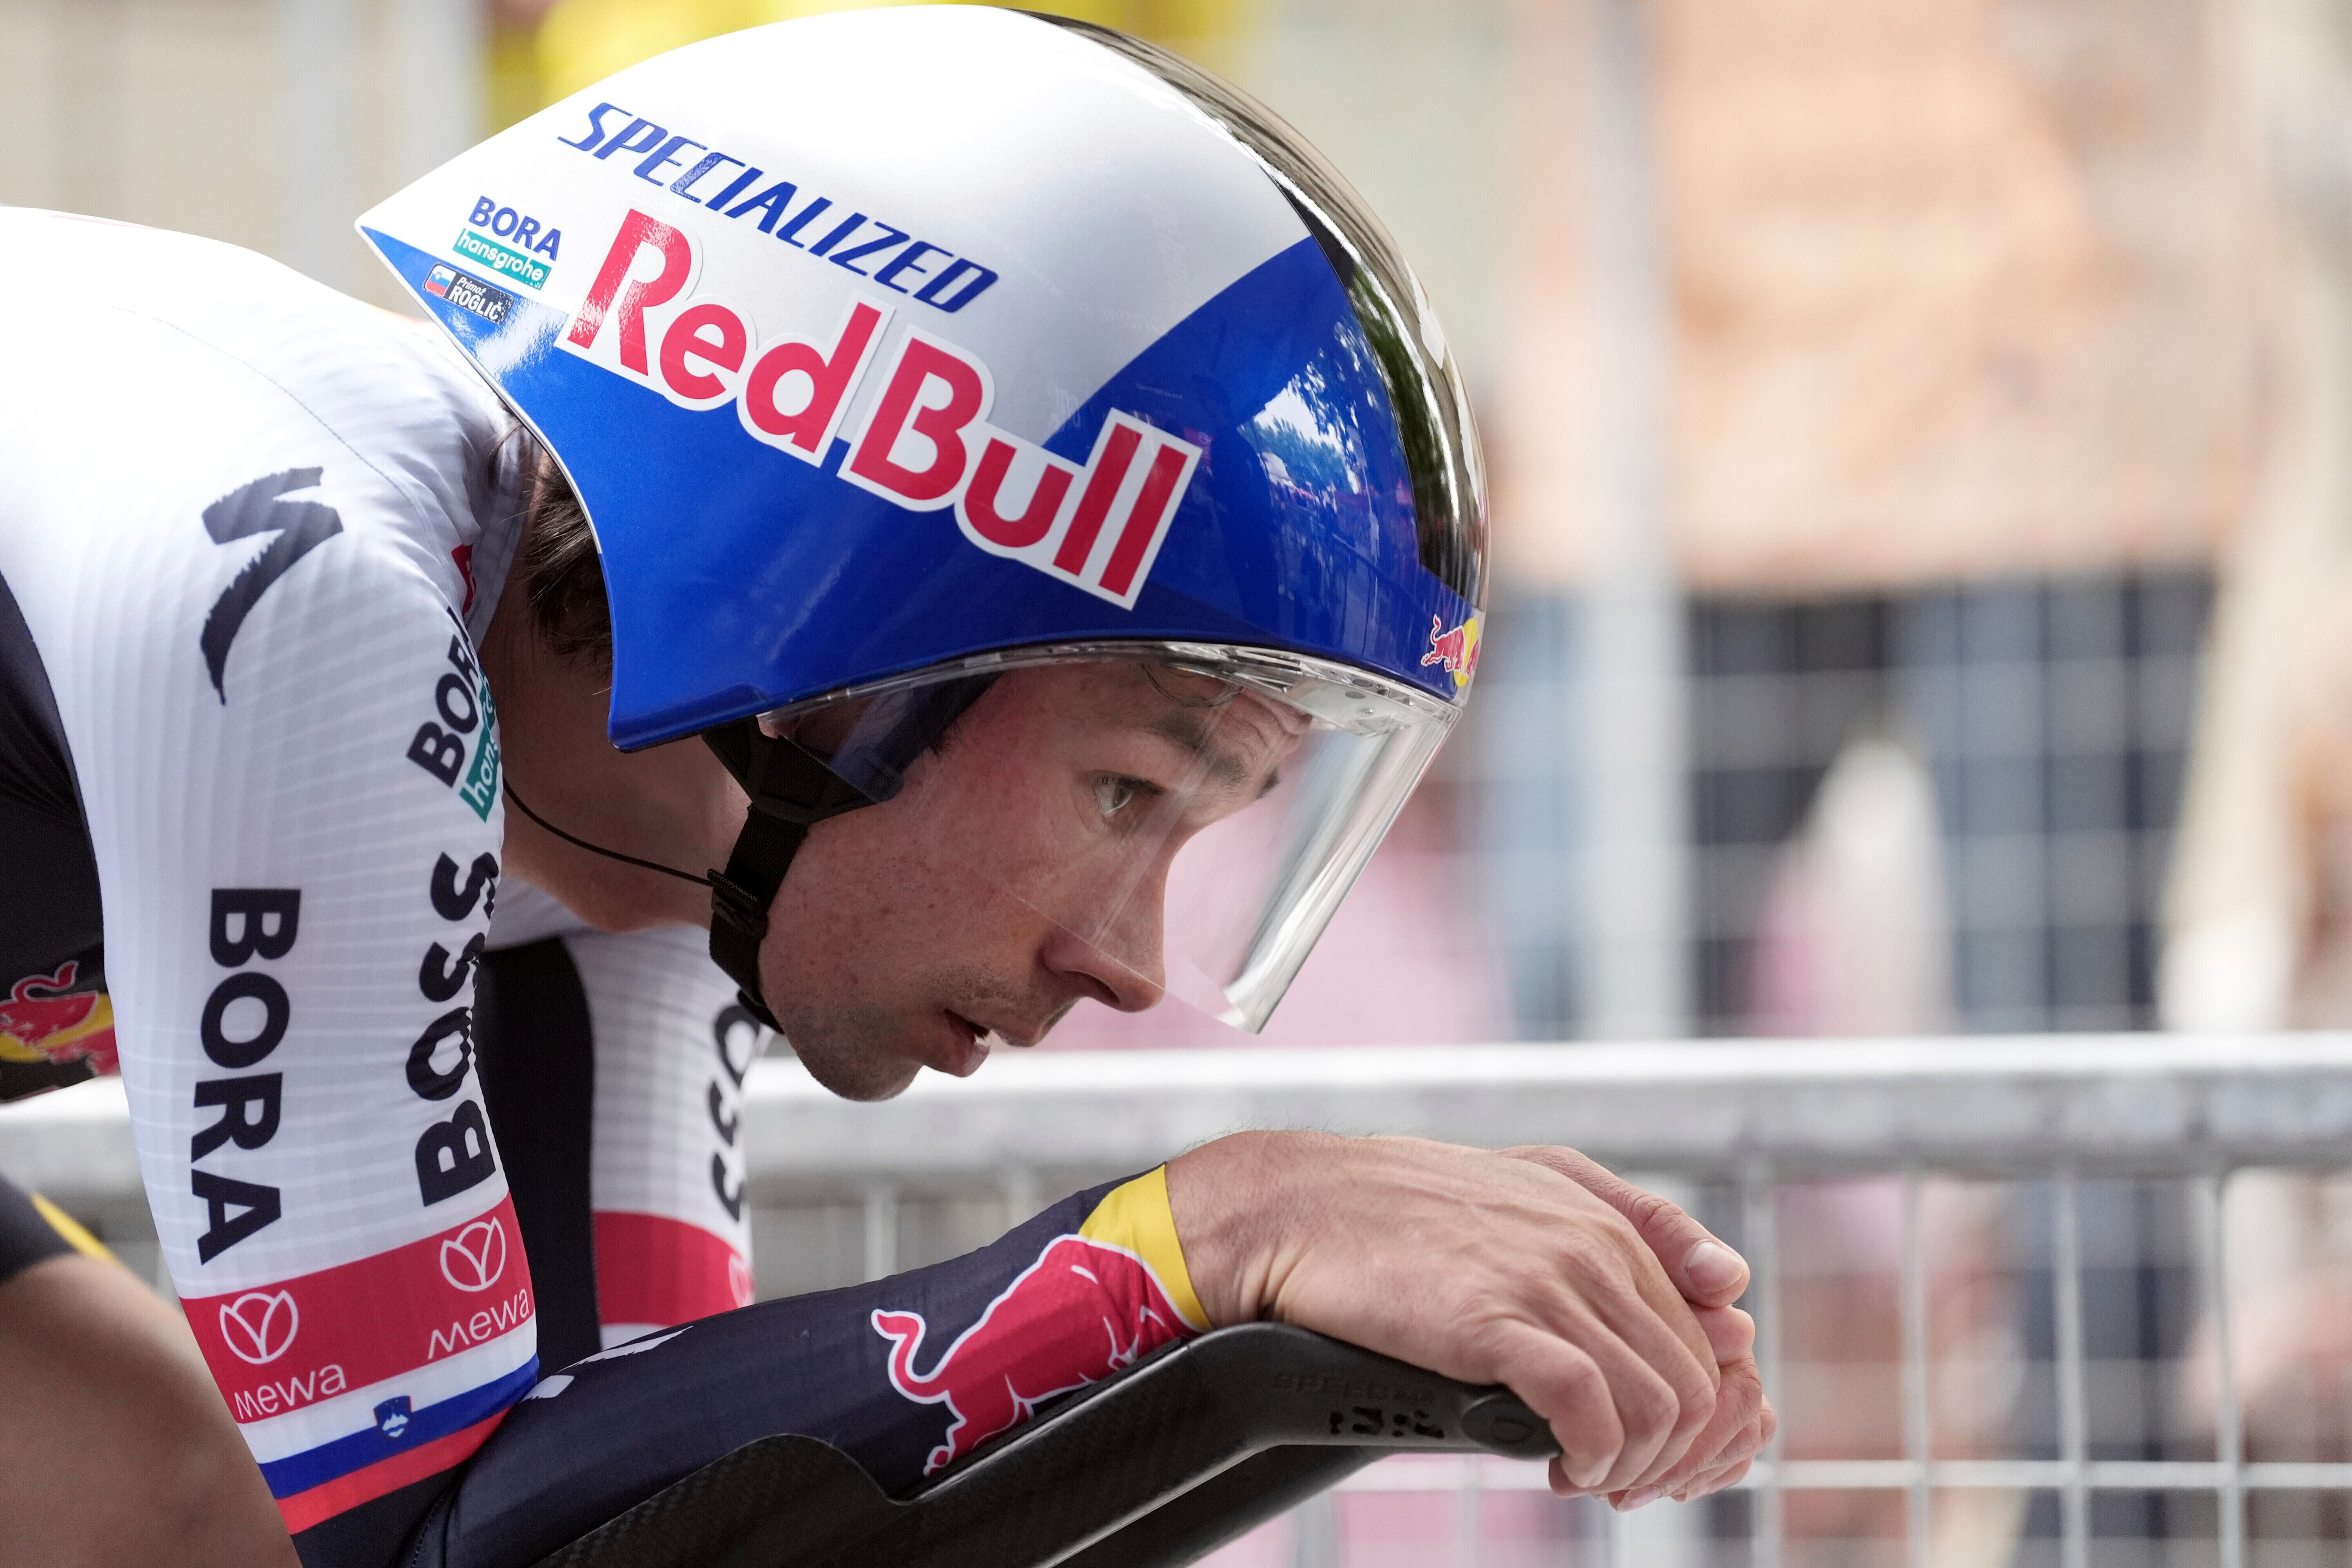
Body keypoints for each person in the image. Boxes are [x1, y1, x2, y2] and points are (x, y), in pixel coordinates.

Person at [0, 9, 1770, 1565]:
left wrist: (1275, 1353)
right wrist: (1220, 1234)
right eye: (1126, 796)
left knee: (186, 1513)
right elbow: (440, 1542)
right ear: (847, 673)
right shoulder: (313, 603)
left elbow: (655, 1523)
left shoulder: (629, 824)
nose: (1133, 966)